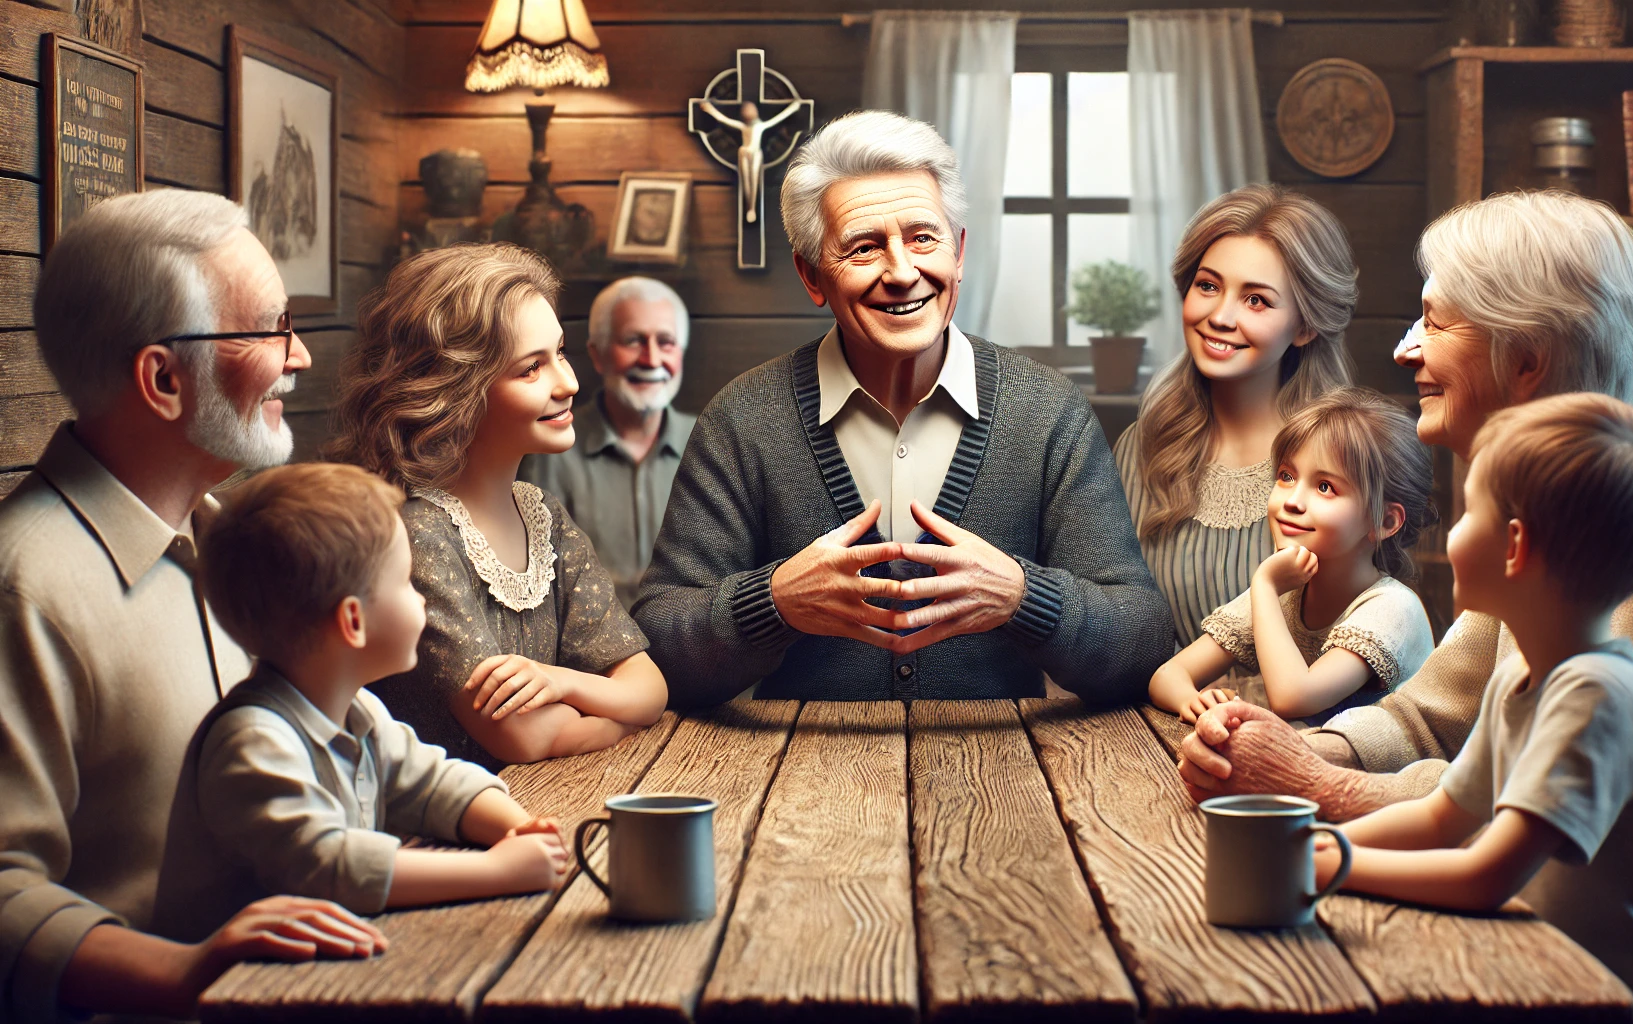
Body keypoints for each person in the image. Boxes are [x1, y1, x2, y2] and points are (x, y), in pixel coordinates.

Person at [1178, 190, 1633, 1022]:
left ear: (1527, 361)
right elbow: (1434, 721)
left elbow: (1525, 818)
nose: (1406, 351)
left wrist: (1318, 797)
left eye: (1434, 323)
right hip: (1549, 950)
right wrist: (1294, 744)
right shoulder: (1541, 526)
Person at [635, 110, 1174, 703]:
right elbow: (658, 647)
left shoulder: (1048, 414)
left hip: (1007, 779)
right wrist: (774, 603)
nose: (902, 271)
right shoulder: (742, 422)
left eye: (923, 237)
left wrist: (1024, 597)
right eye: (864, 247)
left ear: (959, 252)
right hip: (795, 779)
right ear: (813, 277)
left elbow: (1141, 643)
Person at [1, 190, 383, 1023]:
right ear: (164, 379)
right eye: (269, 329)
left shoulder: (237, 544)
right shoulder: (23, 588)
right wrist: (183, 974)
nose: (300, 359)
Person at [1315, 393, 1633, 1022]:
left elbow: (1485, 874)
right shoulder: (1521, 679)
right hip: (1557, 980)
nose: (1452, 534)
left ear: (1514, 545)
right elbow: (1441, 819)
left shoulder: (1599, 698)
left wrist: (1331, 866)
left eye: (1468, 511)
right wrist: (1316, 842)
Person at [155, 463, 569, 943]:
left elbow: (431, 782)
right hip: (230, 997)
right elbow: (329, 867)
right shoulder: (254, 742)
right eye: (407, 583)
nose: (421, 601)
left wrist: (517, 827)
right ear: (353, 621)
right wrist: (497, 872)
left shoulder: (355, 710)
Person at [326, 244, 668, 769]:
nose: (569, 383)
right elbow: (523, 739)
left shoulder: (542, 516)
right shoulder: (417, 534)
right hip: (441, 837)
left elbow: (648, 688)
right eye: (531, 369)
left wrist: (558, 681)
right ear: (458, 392)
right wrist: (613, 713)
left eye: (561, 352)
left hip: (547, 808)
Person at [1113, 184, 1356, 648]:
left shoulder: (1348, 459)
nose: (1221, 316)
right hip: (1147, 717)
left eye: (1256, 300)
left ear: (1305, 327)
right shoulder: (1139, 449)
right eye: (1208, 286)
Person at [1149, 387, 1435, 727]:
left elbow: (1293, 697)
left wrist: (1265, 586)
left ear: (1384, 522)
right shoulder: (1287, 591)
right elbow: (1167, 675)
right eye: (1287, 476)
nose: (1292, 501)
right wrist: (1195, 701)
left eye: (1325, 486)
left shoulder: (1392, 608)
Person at [520, 277, 694, 609]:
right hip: (585, 656)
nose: (651, 359)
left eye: (667, 342)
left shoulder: (712, 444)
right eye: (633, 341)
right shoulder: (550, 452)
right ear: (597, 356)